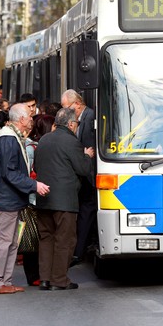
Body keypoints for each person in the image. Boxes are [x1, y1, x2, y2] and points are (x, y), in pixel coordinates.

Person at [0, 104, 50, 294]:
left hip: (10, 199)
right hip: (7, 199)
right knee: (3, 241)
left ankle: (4, 280)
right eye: (30, 115)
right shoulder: (8, 139)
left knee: (11, 242)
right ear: (21, 119)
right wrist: (34, 185)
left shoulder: (10, 137)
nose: (32, 118)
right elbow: (9, 173)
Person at [34, 108, 94, 291]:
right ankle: (59, 280)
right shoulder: (72, 142)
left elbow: (36, 165)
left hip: (44, 199)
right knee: (65, 240)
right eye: (76, 123)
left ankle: (44, 279)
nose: (76, 127)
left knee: (46, 239)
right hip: (65, 201)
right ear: (70, 124)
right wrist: (87, 156)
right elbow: (83, 169)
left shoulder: (43, 140)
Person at [60, 89, 96, 266]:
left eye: (67, 107)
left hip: (89, 176)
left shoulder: (89, 118)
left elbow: (90, 148)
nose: (65, 111)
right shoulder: (79, 118)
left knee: (86, 212)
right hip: (84, 174)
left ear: (78, 104)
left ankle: (79, 251)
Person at [22, 114, 55, 286]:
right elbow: (28, 172)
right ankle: (33, 274)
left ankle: (37, 273)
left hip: (37, 194)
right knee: (32, 236)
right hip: (32, 196)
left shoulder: (37, 145)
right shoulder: (31, 147)